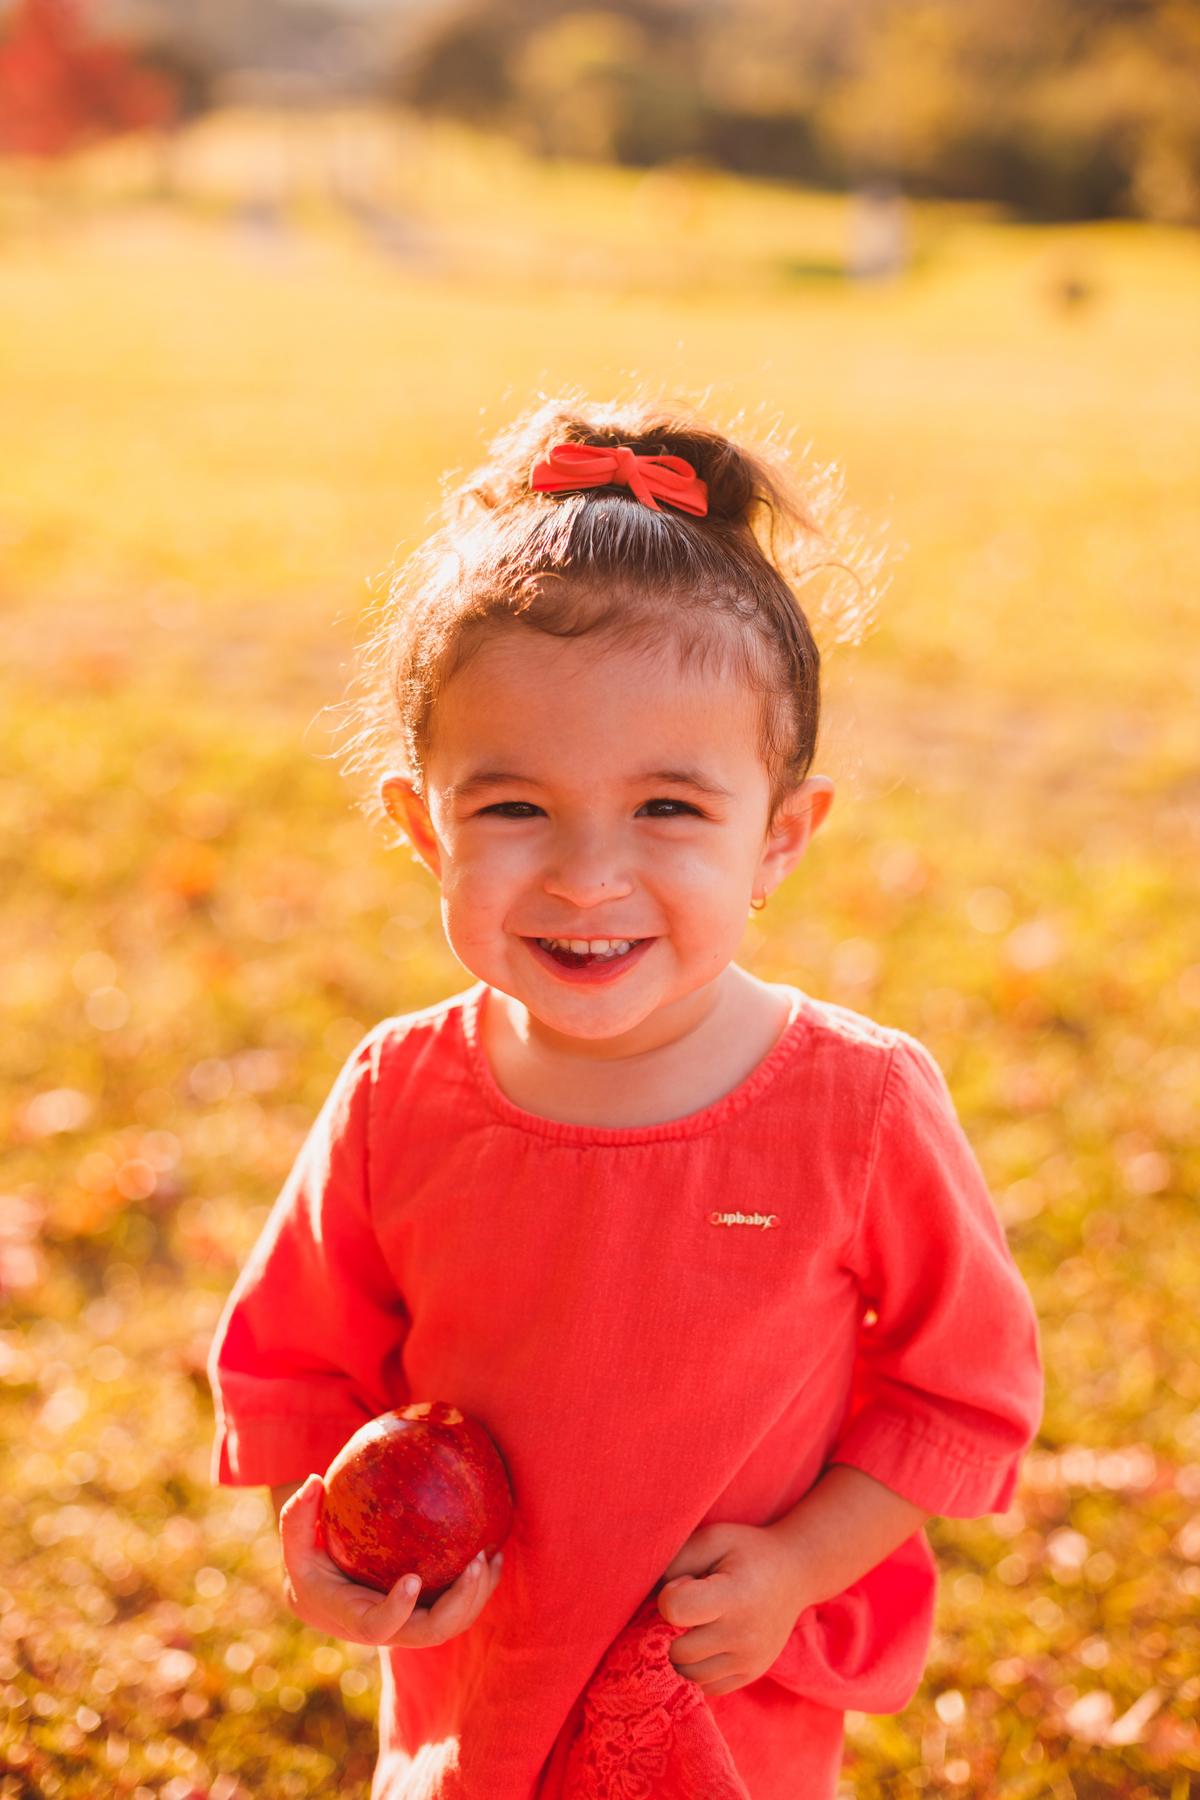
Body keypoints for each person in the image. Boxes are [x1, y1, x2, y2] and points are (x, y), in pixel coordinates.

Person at [208, 400, 1042, 1800]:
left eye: (668, 810)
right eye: (515, 809)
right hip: (481, 1703)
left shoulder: (859, 1107)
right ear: (424, 827)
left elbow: (963, 1389)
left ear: (780, 836)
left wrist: (799, 1565)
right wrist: (322, 1554)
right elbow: (300, 1375)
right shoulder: (399, 1097)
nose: (589, 877)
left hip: (721, 1718)